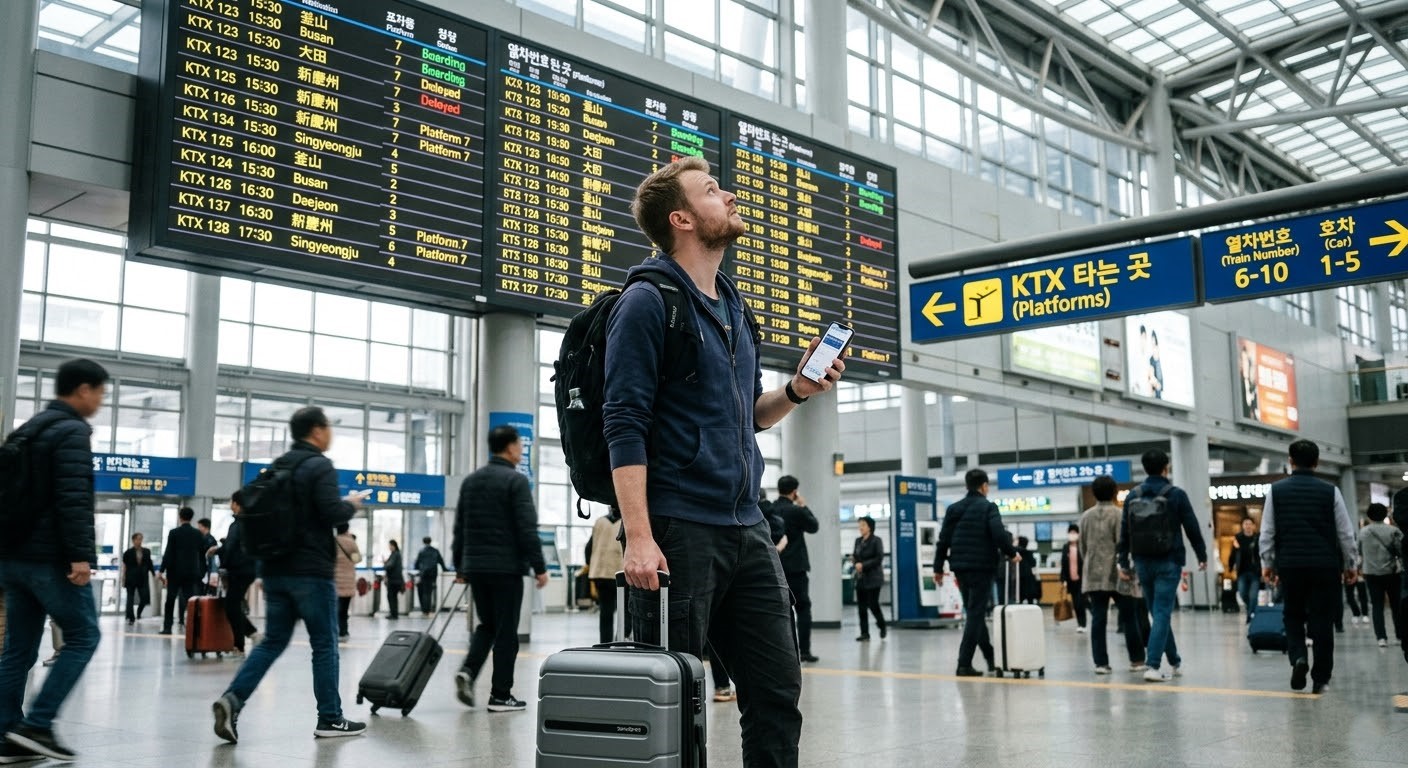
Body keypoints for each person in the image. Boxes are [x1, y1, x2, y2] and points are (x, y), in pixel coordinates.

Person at [604, 156, 844, 767]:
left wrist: (796, 391)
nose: (730, 196)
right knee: (673, 705)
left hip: (747, 528)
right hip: (680, 531)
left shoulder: (732, 305)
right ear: (681, 219)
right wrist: (638, 536)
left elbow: (749, 416)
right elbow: (623, 422)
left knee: (776, 693)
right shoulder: (648, 302)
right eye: (713, 191)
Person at [212, 406, 366, 744]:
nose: (330, 433)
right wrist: (351, 503)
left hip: (274, 570)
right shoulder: (319, 465)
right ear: (316, 431)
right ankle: (330, 717)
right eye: (328, 427)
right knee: (324, 643)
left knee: (272, 642)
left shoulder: (278, 466)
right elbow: (330, 512)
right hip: (310, 572)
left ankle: (233, 698)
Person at [0, 358, 107, 762]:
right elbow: (74, 498)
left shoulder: (26, 431)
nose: (99, 400)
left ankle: (6, 737)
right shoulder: (71, 432)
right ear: (82, 390)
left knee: (18, 650)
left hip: (12, 556)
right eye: (99, 392)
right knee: (84, 636)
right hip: (48, 559)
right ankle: (38, 726)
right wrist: (80, 555)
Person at [450, 425, 548, 713]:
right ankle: (501, 695)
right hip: (506, 569)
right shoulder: (515, 481)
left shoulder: (471, 481)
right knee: (506, 632)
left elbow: (460, 529)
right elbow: (526, 529)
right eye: (519, 445)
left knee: (487, 625)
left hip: (477, 568)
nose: (520, 450)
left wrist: (460, 566)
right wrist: (539, 567)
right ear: (509, 447)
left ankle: (468, 671)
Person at [1259, 439, 1359, 695]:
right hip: (1325, 565)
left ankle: (1299, 658)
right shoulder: (1331, 491)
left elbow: (1267, 532)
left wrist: (1267, 563)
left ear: (1290, 461)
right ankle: (1321, 678)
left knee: (1292, 615)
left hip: (1290, 565)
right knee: (1322, 620)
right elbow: (1346, 533)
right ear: (1317, 462)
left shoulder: (1276, 491)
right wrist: (1351, 564)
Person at [1118, 449, 1208, 684]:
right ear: (1166, 467)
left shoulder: (1132, 495)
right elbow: (1192, 527)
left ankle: (1175, 660)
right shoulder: (1175, 494)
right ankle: (1153, 665)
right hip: (1169, 560)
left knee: (1157, 613)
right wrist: (1201, 554)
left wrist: (1122, 561)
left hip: (1142, 562)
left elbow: (1124, 533)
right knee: (1161, 613)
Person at [933, 469, 1020, 677]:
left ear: (967, 486)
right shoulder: (988, 507)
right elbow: (999, 534)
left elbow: (943, 540)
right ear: (984, 486)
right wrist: (1012, 553)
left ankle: (990, 658)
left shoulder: (954, 509)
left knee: (974, 612)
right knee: (975, 613)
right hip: (982, 567)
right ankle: (963, 663)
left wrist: (937, 568)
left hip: (960, 568)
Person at [1079, 475, 1144, 675]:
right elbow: (1124, 544)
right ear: (1115, 492)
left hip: (1094, 575)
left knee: (1098, 619)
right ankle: (1136, 660)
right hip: (1118, 574)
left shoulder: (1085, 517)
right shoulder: (1119, 514)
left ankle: (1101, 663)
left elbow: (1083, 547)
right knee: (1129, 617)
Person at [773, 475, 821, 663]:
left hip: (775, 567)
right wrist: (803, 505)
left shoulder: (771, 509)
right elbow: (814, 526)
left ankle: (781, 651)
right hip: (796, 568)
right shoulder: (796, 511)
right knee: (802, 607)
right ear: (794, 492)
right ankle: (805, 651)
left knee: (779, 610)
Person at [213, 493, 259, 653]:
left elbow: (231, 547)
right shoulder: (252, 523)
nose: (230, 504)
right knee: (233, 604)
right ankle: (251, 634)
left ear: (237, 504)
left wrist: (221, 561)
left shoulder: (237, 524)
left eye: (231, 502)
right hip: (249, 568)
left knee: (231, 605)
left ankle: (240, 644)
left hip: (238, 569)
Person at [1360, 503, 1403, 647]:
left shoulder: (1363, 532)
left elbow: (1358, 552)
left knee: (1377, 606)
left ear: (1369, 515)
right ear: (1385, 514)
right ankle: (1400, 636)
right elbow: (1400, 551)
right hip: (1391, 573)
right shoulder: (1393, 531)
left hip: (1371, 573)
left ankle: (1381, 638)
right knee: (1396, 606)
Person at [158, 507, 207, 634]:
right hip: (190, 572)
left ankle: (167, 627)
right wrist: (201, 572)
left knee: (170, 600)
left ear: (180, 517)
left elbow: (168, 553)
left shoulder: (174, 533)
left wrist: (161, 570)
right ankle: (192, 628)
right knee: (190, 600)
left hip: (174, 572)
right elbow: (202, 555)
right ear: (191, 518)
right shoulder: (197, 534)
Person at [587, 508, 624, 645]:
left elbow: (589, 548)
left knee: (605, 612)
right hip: (621, 574)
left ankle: (605, 644)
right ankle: (621, 641)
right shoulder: (625, 522)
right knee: (625, 612)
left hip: (600, 573)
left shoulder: (599, 522)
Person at [852, 515, 887, 642]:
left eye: (863, 525)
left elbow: (879, 558)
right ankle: (864, 633)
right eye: (859, 525)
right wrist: (855, 562)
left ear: (870, 527)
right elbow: (856, 556)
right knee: (861, 607)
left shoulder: (876, 540)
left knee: (873, 604)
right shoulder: (858, 541)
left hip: (874, 578)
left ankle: (882, 625)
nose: (860, 528)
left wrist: (863, 565)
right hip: (861, 578)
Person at [1229, 517, 1262, 623]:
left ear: (1253, 526)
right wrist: (1231, 566)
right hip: (1242, 572)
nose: (1247, 526)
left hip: (1255, 572)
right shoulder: (1238, 538)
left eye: (1249, 524)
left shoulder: (1258, 538)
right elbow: (1233, 554)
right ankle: (1251, 609)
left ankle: (1250, 615)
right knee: (1242, 593)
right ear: (1242, 526)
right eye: (1245, 524)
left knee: (1253, 595)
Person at [333, 525, 361, 641]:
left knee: (335, 608)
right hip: (348, 581)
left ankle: (336, 631)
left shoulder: (332, 541)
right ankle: (344, 632)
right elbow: (357, 559)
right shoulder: (351, 542)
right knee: (344, 609)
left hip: (335, 581)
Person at [121, 532, 155, 626]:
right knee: (130, 599)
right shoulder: (128, 553)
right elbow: (125, 566)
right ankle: (130, 617)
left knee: (144, 598)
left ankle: (139, 613)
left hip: (142, 578)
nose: (139, 541)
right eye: (138, 539)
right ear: (133, 540)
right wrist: (123, 578)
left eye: (141, 539)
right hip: (131, 578)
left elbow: (150, 564)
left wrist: (153, 574)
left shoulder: (147, 551)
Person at [1059, 524, 1088, 632]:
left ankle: (1083, 623)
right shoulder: (1066, 547)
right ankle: (1080, 624)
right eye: (1070, 532)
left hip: (1082, 579)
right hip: (1071, 580)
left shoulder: (1082, 546)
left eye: (1074, 532)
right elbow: (1063, 564)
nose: (1072, 535)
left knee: (1081, 602)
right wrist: (1063, 579)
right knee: (1076, 603)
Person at [414, 537, 447, 617]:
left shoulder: (421, 551)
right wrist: (445, 569)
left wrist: (419, 569)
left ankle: (425, 611)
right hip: (432, 574)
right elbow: (441, 561)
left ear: (423, 542)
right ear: (430, 541)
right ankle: (429, 610)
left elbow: (416, 564)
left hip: (424, 574)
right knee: (429, 592)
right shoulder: (435, 551)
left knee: (424, 592)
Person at [383, 540, 404, 620]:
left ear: (393, 546)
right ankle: (394, 613)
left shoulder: (395, 554)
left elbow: (390, 565)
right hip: (396, 579)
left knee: (391, 596)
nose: (389, 547)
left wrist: (385, 565)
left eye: (390, 545)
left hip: (394, 580)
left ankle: (393, 614)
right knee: (393, 597)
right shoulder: (396, 554)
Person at [197, 517, 219, 594]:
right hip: (204, 570)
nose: (198, 529)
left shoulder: (209, 540)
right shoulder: (206, 538)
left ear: (205, 527)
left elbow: (211, 559)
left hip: (206, 570)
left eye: (200, 527)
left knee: (203, 591)